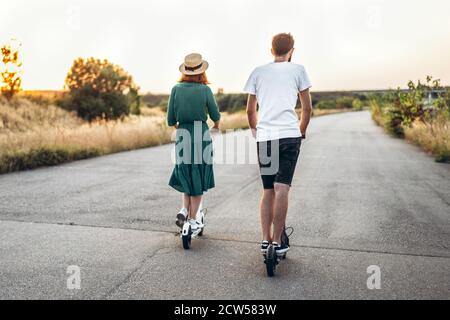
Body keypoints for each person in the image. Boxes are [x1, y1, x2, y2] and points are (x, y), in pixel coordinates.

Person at [244, 33, 312, 256]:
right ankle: (278, 241)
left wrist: (256, 129)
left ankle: (265, 240)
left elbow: (250, 109)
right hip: (289, 136)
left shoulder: (258, 72)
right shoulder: (298, 70)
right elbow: (307, 108)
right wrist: (300, 131)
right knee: (282, 188)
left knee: (267, 190)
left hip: (266, 136)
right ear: (292, 50)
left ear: (271, 50)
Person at [167, 53, 221, 230]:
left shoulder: (176, 89)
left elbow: (170, 119)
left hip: (183, 133)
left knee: (186, 172)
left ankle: (184, 209)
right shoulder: (205, 90)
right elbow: (215, 115)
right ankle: (192, 220)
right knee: (198, 172)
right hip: (200, 133)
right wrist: (217, 125)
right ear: (201, 72)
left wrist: (180, 127)